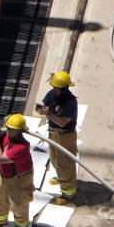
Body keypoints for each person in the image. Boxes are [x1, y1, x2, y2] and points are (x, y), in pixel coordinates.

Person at [0, 114, 34, 227]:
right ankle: (0, 219)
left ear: (19, 131)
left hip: (19, 178)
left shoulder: (21, 147)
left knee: (18, 203)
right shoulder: (6, 137)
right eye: (8, 128)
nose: (9, 131)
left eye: (12, 130)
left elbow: (0, 158)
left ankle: (21, 224)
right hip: (4, 175)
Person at [36, 70, 79, 205]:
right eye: (53, 87)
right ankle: (62, 178)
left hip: (65, 135)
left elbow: (62, 122)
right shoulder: (53, 94)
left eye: (57, 88)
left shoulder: (70, 103)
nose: (54, 90)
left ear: (64, 89)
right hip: (53, 132)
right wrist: (41, 108)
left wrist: (48, 114)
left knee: (65, 163)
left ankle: (68, 191)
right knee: (54, 159)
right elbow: (44, 103)